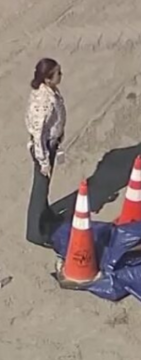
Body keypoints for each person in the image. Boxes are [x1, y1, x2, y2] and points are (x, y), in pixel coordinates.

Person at [25, 58, 66, 247]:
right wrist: (43, 162)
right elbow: (37, 134)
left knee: (45, 185)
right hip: (43, 148)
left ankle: (46, 214)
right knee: (40, 188)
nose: (61, 75)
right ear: (48, 79)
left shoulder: (49, 91)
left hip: (51, 143)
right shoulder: (44, 102)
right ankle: (36, 232)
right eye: (58, 73)